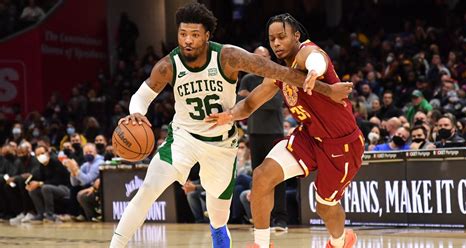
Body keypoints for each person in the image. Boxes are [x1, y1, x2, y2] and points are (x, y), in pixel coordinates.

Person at [109, 3, 351, 248]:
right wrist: (136, 113)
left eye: (194, 35)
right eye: (183, 34)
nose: (187, 41)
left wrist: (326, 87)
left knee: (218, 215)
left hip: (222, 144)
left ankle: (221, 233)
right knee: (149, 188)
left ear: (206, 36)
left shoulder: (229, 56)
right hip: (184, 139)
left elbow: (290, 68)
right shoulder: (168, 65)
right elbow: (141, 95)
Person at [206, 13, 359, 248]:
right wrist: (229, 116)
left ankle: (341, 242)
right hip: (309, 137)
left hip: (342, 143)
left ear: (296, 36)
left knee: (323, 206)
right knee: (261, 175)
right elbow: (249, 104)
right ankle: (262, 244)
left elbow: (316, 59)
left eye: (281, 37)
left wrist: (314, 73)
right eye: (272, 39)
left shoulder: (307, 52)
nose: (276, 43)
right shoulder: (278, 74)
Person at [237, 46, 288, 230]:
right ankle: (260, 221)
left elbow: (275, 103)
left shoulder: (276, 75)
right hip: (255, 133)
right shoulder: (247, 79)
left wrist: (249, 100)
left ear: (269, 58)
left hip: (274, 132)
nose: (260, 60)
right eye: (257, 57)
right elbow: (239, 103)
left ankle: (280, 218)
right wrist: (252, 100)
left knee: (278, 177)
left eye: (264, 56)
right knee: (257, 179)